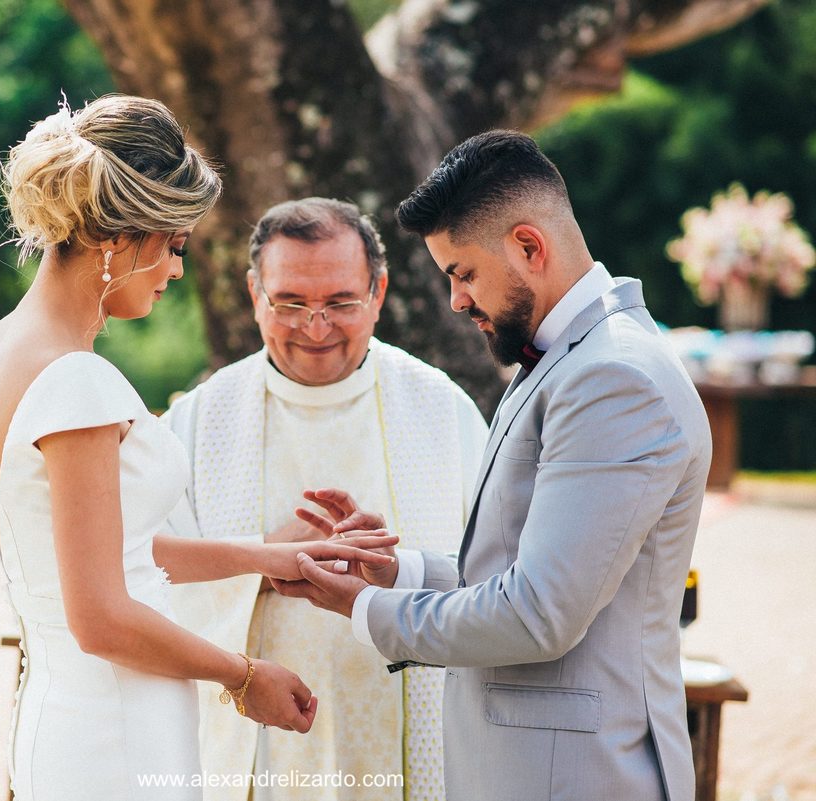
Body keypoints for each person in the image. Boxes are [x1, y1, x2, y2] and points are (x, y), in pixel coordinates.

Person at [0, 95, 397, 801]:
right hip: (116, 731)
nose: (175, 269)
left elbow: (104, 549)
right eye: (174, 244)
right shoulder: (76, 380)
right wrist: (245, 674)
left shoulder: (11, 345)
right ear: (120, 236)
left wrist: (266, 555)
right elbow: (101, 615)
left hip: (70, 712)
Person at [272, 131, 712, 801]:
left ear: (529, 247)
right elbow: (536, 572)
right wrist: (398, 569)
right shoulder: (571, 359)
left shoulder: (612, 378)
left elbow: (537, 613)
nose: (455, 300)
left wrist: (368, 607)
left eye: (463, 273)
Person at [162, 198, 487, 801]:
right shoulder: (200, 421)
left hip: (411, 737)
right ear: (255, 294)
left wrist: (395, 569)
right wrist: (264, 559)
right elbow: (144, 584)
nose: (316, 327)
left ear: (379, 291)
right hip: (255, 741)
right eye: (290, 303)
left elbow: (495, 576)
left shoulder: (441, 410)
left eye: (340, 302)